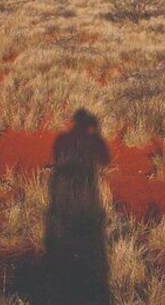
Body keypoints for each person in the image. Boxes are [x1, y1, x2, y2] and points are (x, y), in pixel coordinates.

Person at [40, 109, 111, 305]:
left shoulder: (61, 139)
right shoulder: (93, 139)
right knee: (87, 228)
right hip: (86, 186)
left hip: (62, 186)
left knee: (65, 226)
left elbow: (55, 158)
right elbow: (105, 160)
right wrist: (96, 136)